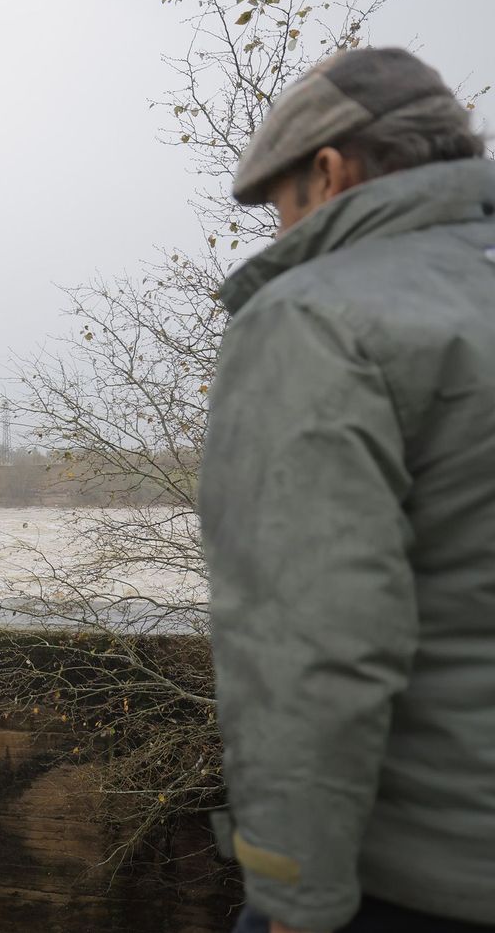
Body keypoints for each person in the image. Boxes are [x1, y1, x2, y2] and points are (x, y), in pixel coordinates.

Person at [200, 46, 495, 933]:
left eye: (283, 208)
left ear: (330, 173)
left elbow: (311, 639)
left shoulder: (315, 317)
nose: (283, 237)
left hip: (419, 877)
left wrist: (294, 890)